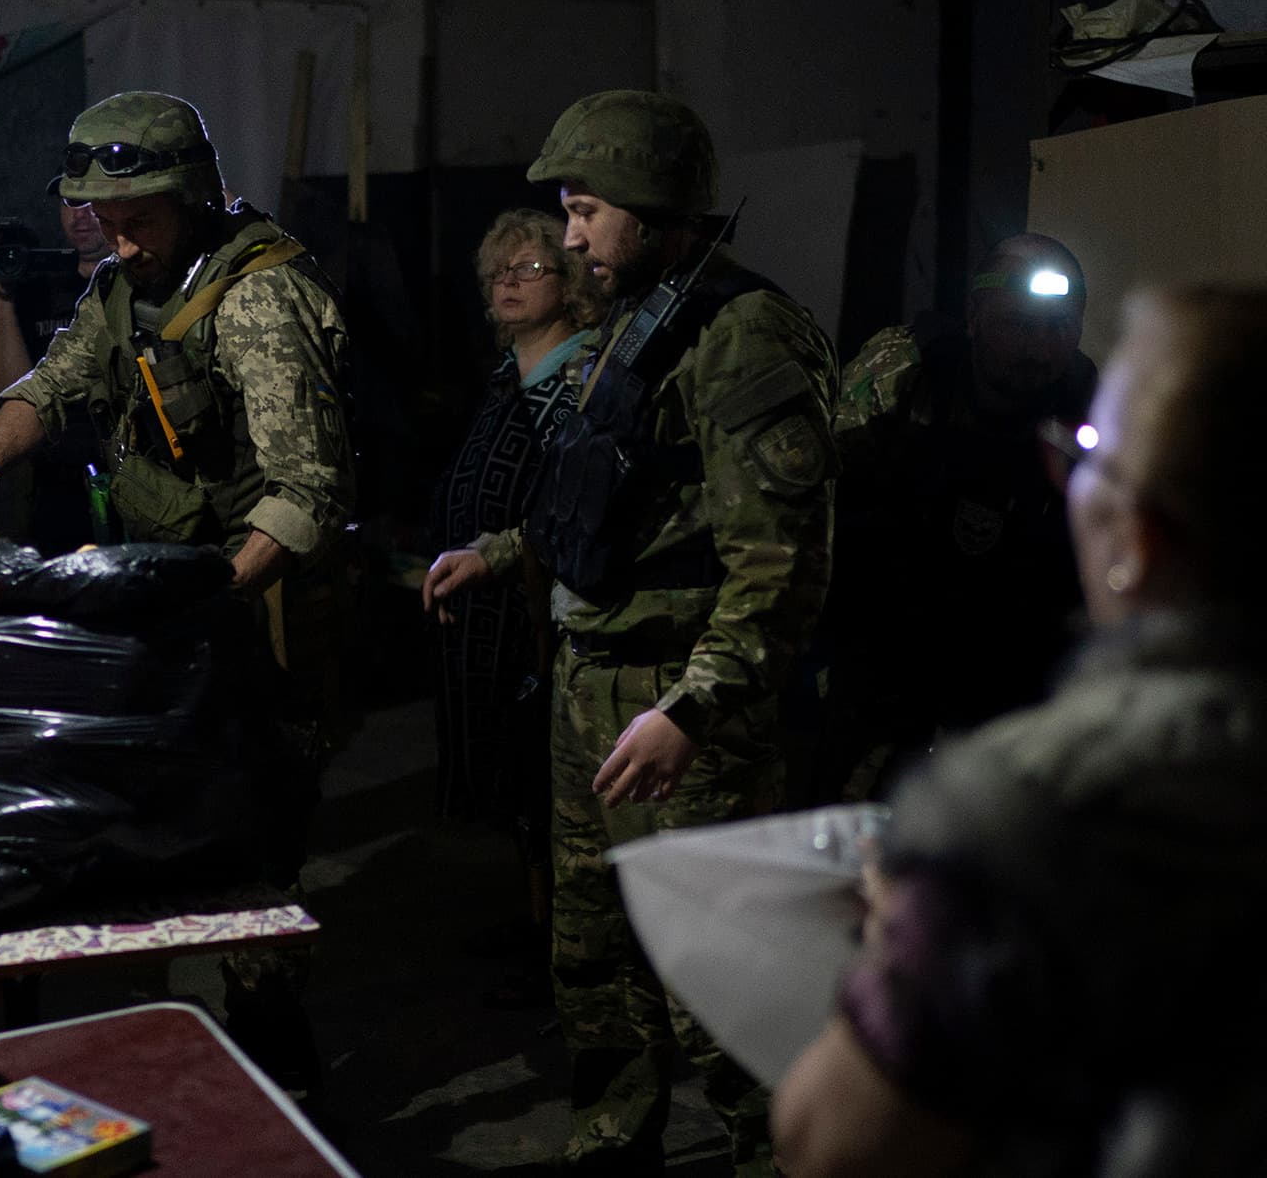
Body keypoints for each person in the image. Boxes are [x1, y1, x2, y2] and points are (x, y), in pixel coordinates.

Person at [423, 91, 837, 1175]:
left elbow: (779, 564)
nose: (568, 238)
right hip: (587, 683)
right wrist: (508, 553)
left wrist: (690, 713)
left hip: (674, 705)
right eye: (567, 211)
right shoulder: (634, 322)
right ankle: (614, 1146)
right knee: (596, 967)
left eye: (587, 210)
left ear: (653, 211)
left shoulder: (742, 337)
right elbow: (614, 491)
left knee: (725, 989)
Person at [0, 90, 354, 1087]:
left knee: (252, 857)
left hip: (256, 604)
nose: (123, 241)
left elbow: (307, 490)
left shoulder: (260, 299)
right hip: (178, 604)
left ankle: (283, 1074)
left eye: (139, 220)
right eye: (106, 221)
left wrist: (217, 598)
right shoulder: (123, 288)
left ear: (194, 197)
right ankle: (182, 1050)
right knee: (162, 828)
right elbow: (49, 389)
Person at [773, 281, 1267, 1178]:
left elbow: (828, 1141)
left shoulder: (1018, 813)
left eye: (1087, 457)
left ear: (1137, 538)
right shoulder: (907, 388)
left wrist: (911, 941)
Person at [818, 233, 1095, 800]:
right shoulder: (904, 379)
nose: (1037, 349)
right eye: (1016, 325)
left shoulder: (1088, 410)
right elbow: (815, 510)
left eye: (1058, 328)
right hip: (881, 674)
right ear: (973, 316)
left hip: (1010, 693)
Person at [431, 208, 601, 999]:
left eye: (529, 268)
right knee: (512, 774)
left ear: (570, 285)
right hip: (492, 611)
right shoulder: (513, 374)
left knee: (547, 779)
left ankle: (565, 945)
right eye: (498, 269)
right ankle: (539, 922)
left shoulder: (579, 377)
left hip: (546, 614)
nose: (507, 281)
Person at [0, 194, 114, 550]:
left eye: (91, 201)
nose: (81, 215)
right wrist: (3, 302)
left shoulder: (133, 284)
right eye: (69, 201)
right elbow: (11, 390)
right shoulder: (39, 285)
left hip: (123, 471)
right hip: (55, 481)